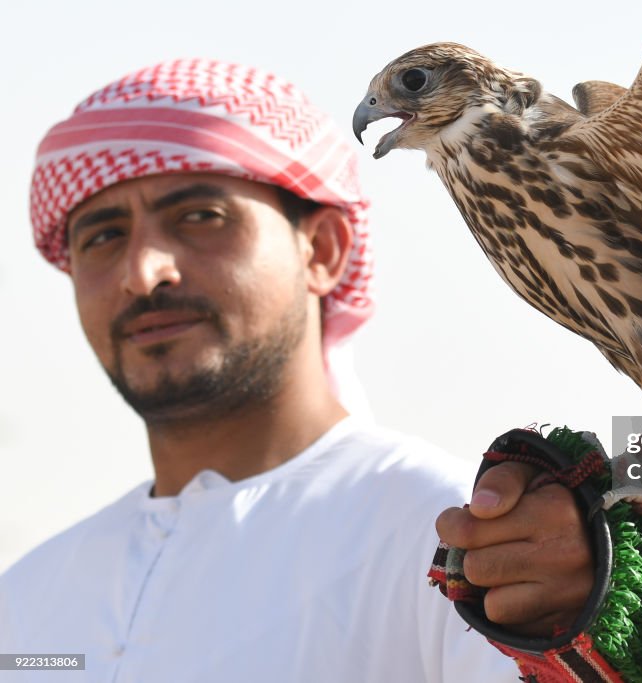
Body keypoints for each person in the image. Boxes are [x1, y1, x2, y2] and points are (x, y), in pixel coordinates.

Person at [0, 58, 593, 682]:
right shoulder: (27, 597)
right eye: (101, 236)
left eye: (199, 217)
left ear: (323, 249)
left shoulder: (459, 537)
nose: (144, 272)